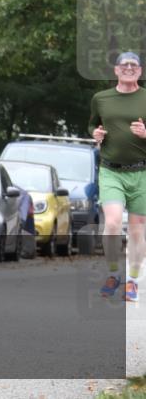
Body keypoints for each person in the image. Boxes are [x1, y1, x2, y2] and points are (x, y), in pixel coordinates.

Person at [90, 51, 146, 302]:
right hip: (111, 170)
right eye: (124, 64)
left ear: (140, 71)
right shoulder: (101, 99)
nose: (129, 68)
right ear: (115, 70)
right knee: (112, 224)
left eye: (134, 65)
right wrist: (96, 133)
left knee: (137, 230)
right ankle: (113, 274)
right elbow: (92, 125)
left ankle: (132, 281)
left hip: (142, 172)